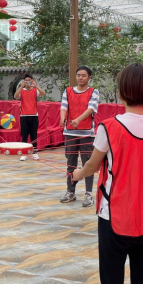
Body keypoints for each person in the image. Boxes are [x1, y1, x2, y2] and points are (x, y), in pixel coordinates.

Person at [72, 63, 143, 284]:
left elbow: (92, 165)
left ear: (122, 90)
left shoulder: (109, 127)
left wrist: (77, 175)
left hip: (114, 218)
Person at [59, 66, 99, 207]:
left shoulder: (94, 92)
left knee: (88, 163)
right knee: (71, 163)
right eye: (78, 75)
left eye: (83, 75)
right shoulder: (68, 91)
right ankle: (70, 191)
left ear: (89, 78)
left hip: (87, 134)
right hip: (70, 133)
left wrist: (78, 120)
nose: (80, 78)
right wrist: (63, 118)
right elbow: (63, 107)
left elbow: (91, 108)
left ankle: (88, 193)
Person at [14, 73, 45, 162]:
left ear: (32, 81)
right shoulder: (22, 91)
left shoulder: (35, 91)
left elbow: (43, 93)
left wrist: (36, 86)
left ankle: (34, 153)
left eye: (29, 80)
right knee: (24, 135)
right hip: (24, 116)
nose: (27, 82)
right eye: (26, 81)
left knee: (33, 135)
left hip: (34, 116)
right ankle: (24, 153)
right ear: (24, 81)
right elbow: (15, 96)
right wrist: (21, 86)